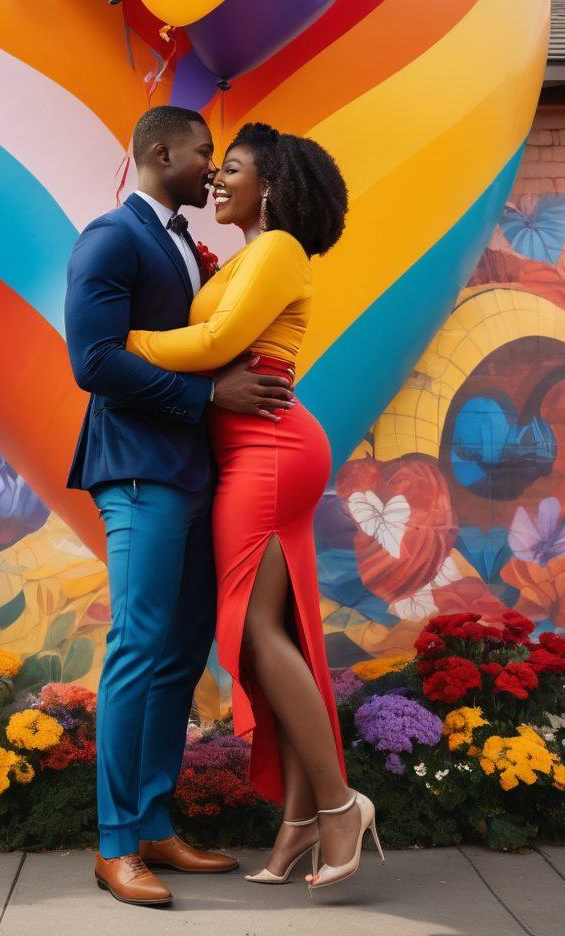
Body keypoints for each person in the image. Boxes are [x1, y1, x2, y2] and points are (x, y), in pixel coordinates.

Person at [125, 122, 385, 895]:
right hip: (254, 451)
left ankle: (340, 806)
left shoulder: (276, 251)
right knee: (281, 635)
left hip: (268, 452)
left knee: (250, 630)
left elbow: (213, 343)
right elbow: (210, 335)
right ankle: (301, 822)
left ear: (269, 184)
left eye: (231, 168)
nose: (216, 179)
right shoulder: (248, 256)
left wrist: (123, 342)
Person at [64, 106, 296, 907]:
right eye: (204, 153)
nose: (211, 167)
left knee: (178, 652)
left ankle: (155, 822)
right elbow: (92, 361)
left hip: (198, 476)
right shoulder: (111, 237)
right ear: (161, 152)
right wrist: (207, 397)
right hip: (137, 472)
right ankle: (116, 845)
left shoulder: (186, 248)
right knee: (138, 645)